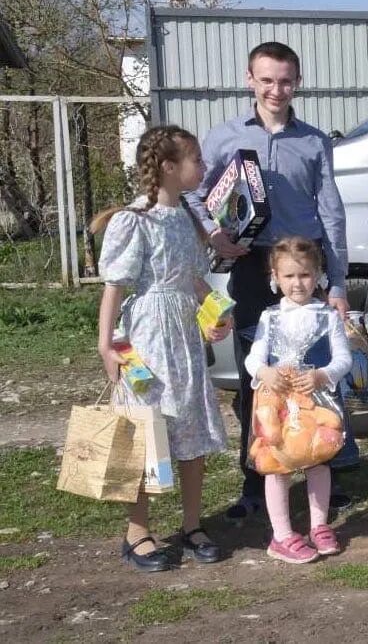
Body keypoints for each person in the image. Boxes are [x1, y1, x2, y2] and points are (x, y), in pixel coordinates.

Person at [185, 41, 351, 524]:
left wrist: (335, 284)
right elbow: (196, 195)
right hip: (252, 266)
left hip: (303, 268)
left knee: (319, 374)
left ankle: (327, 471)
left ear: (297, 83)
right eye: (267, 80)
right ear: (250, 79)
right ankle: (256, 477)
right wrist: (216, 232)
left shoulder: (315, 141)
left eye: (286, 80)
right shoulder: (223, 137)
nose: (276, 89)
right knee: (255, 378)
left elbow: (332, 213)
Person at [94, 125, 232, 572]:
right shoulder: (134, 219)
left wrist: (214, 317)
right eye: (196, 159)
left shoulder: (185, 217)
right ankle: (137, 532)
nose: (203, 167)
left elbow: (194, 281)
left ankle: (192, 524)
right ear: (170, 167)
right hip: (149, 336)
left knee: (190, 427)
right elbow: (114, 288)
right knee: (144, 429)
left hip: (185, 338)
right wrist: (105, 346)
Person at [243, 237, 353, 564]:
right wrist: (265, 373)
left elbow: (343, 359)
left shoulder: (328, 316)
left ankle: (319, 525)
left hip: (316, 403)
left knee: (319, 461)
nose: (297, 283)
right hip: (278, 406)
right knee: (277, 465)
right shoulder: (269, 318)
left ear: (318, 274)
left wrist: (323, 376)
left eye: (305, 275)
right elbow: (253, 358)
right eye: (289, 276)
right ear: (275, 278)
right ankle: (281, 535)